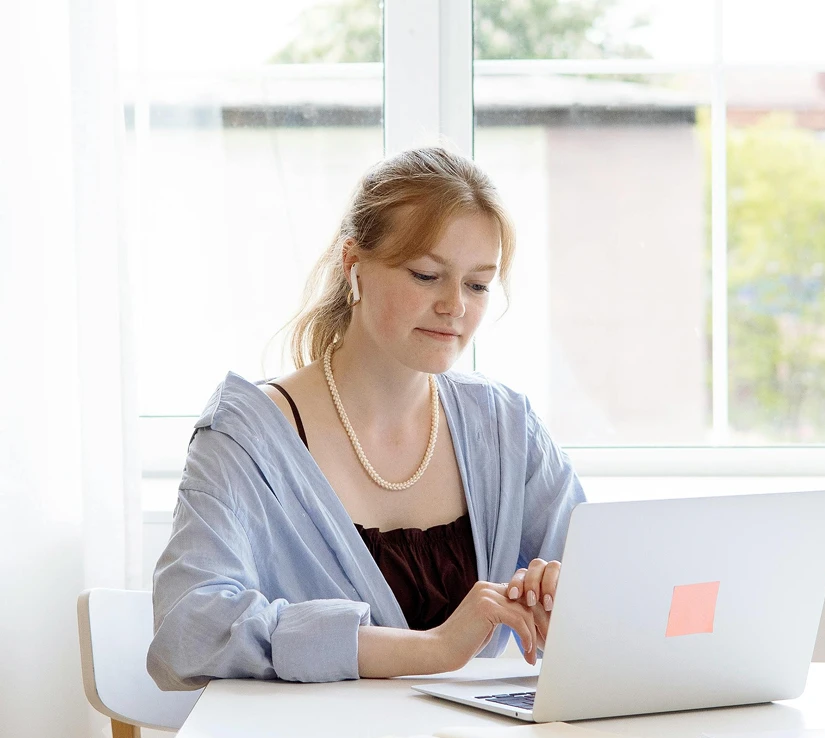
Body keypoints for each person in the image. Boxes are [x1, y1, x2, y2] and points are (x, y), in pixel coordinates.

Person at [147, 145, 586, 690]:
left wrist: (566, 595)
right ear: (353, 265)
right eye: (426, 275)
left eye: (477, 285)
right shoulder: (244, 438)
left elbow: (606, 580)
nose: (455, 306)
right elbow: (188, 628)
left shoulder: (505, 425)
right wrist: (434, 648)